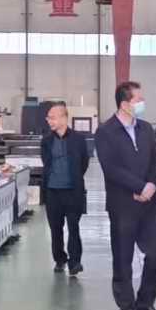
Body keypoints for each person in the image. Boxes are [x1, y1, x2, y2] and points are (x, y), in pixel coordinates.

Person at [94, 81, 156, 310]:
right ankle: (126, 309)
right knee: (123, 259)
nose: (142, 103)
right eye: (138, 100)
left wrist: (151, 185)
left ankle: (145, 302)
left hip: (149, 205)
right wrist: (138, 187)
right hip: (123, 205)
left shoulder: (146, 129)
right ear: (125, 104)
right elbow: (111, 168)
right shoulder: (106, 132)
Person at [41, 102, 91, 277]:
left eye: (52, 118)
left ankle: (75, 262)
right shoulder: (46, 141)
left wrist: (74, 178)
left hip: (72, 192)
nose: (49, 121)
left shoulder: (78, 139)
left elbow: (84, 162)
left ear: (64, 118)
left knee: (73, 227)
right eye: (48, 118)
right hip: (52, 192)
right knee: (56, 229)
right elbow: (46, 163)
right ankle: (60, 259)